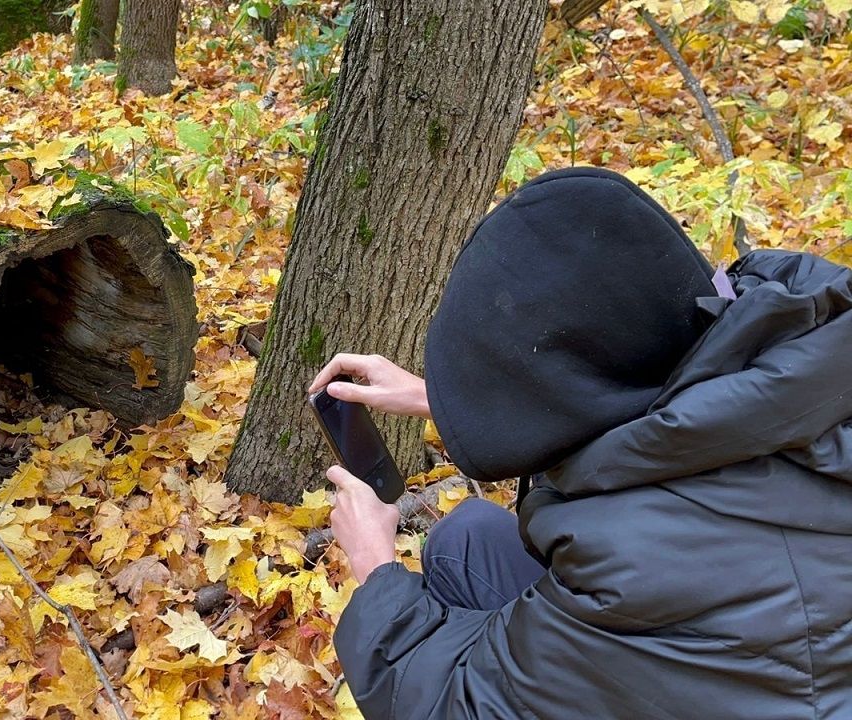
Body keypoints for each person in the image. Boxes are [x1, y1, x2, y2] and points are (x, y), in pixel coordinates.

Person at [310, 167, 852, 719]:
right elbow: (676, 415)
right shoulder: (802, 355)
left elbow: (457, 705)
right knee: (466, 537)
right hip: (772, 660)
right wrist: (455, 401)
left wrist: (374, 565)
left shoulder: (630, 561)